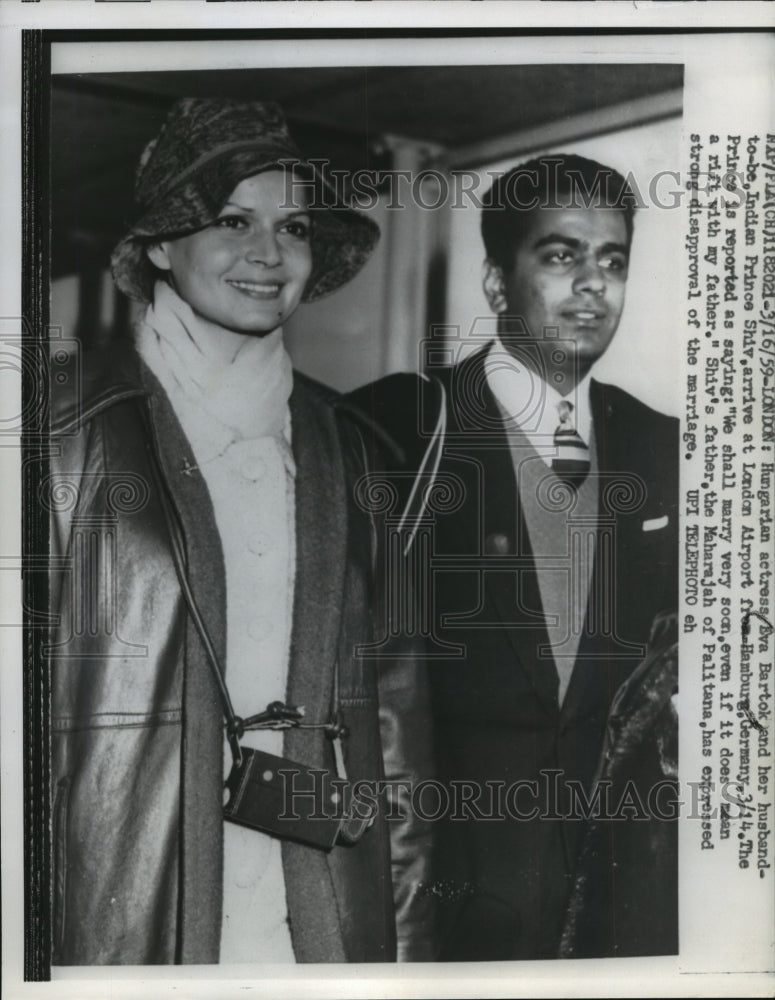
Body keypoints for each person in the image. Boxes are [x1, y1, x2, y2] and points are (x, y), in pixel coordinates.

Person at [47, 98, 433, 965]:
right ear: (158, 243)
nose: (269, 253)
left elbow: (403, 739)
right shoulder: (57, 433)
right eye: (232, 221)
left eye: (291, 226)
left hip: (316, 920)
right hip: (124, 919)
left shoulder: (362, 455)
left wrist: (406, 952)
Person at [360, 153, 678, 960]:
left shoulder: (659, 447)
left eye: (612, 262)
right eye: (561, 255)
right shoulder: (396, 432)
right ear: (497, 282)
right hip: (444, 908)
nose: (593, 285)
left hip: (616, 911)